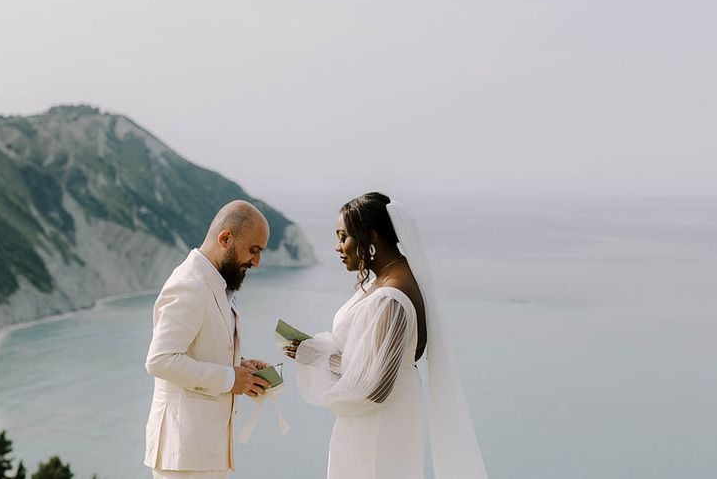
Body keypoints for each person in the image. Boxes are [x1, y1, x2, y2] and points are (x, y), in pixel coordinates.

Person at [285, 192, 488, 479]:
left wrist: (318, 359)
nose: (337, 247)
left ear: (370, 236)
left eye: (343, 237)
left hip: (376, 428)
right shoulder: (393, 278)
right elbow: (377, 362)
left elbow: (376, 388)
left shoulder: (390, 299)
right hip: (387, 417)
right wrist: (315, 353)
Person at [144, 200, 273, 479]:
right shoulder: (189, 284)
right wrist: (229, 378)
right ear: (225, 238)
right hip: (183, 455)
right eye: (253, 250)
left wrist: (241, 369)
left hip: (204, 453)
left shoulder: (214, 284)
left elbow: (199, 350)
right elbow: (160, 360)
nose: (257, 261)